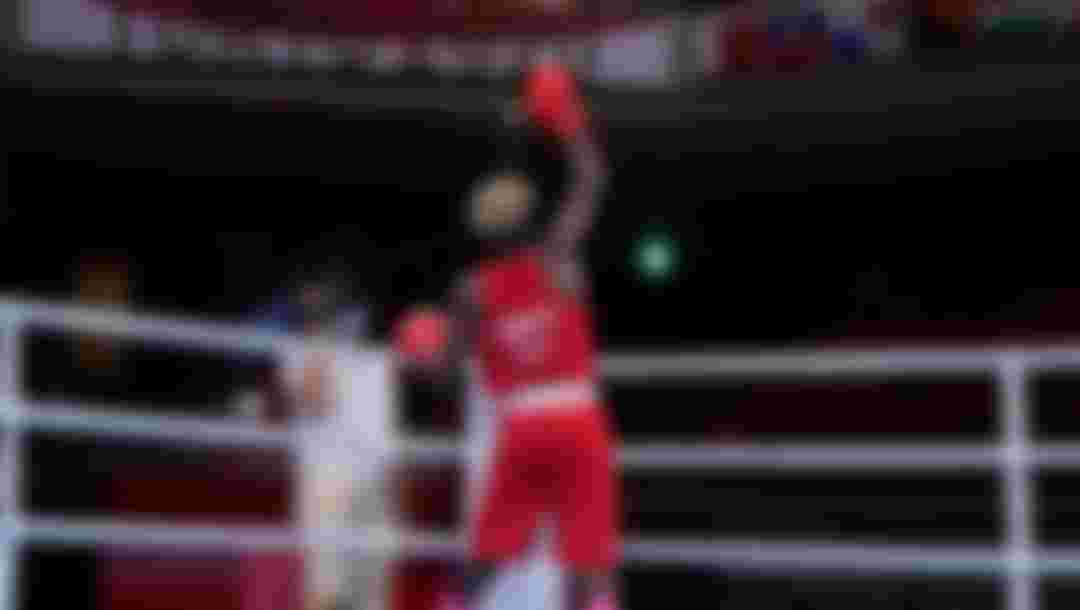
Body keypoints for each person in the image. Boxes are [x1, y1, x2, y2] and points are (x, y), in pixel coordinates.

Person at [396, 61, 617, 610]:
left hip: (521, 429)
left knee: (488, 557)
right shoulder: (559, 259)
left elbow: (446, 375)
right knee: (587, 564)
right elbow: (592, 180)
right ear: (530, 221)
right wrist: (568, 125)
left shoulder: (469, 289)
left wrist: (422, 355)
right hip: (578, 422)